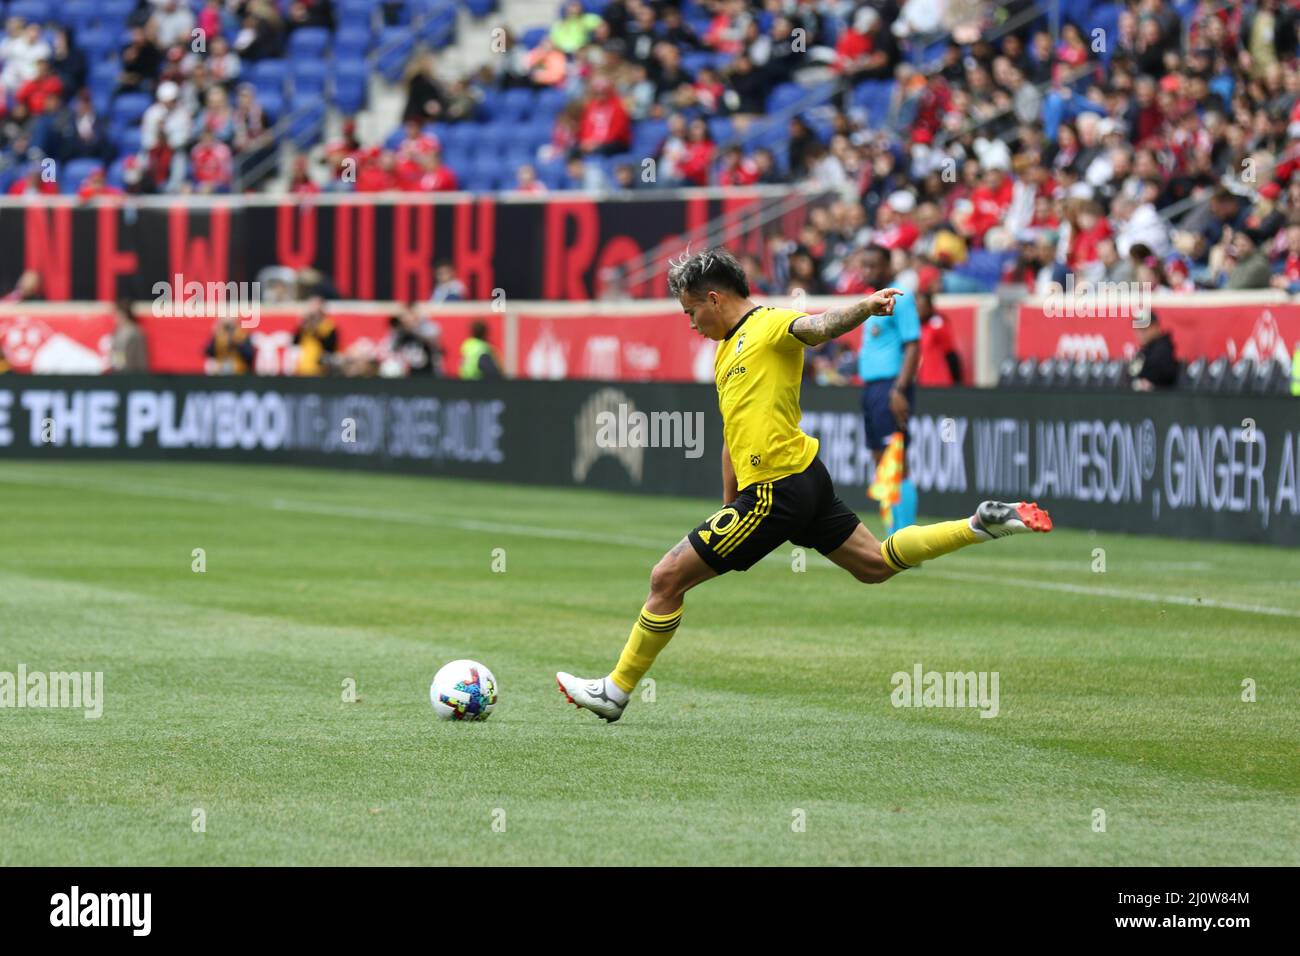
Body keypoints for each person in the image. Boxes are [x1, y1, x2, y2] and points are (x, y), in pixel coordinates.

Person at [556, 249, 1053, 723]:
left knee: (666, 579)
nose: (691, 324)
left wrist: (865, 305)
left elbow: (816, 326)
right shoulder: (726, 349)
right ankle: (979, 524)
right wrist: (729, 508)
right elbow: (732, 435)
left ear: (713, 299)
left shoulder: (768, 323)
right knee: (875, 565)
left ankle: (616, 690)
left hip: (778, 490)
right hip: (798, 481)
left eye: (691, 312)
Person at [858, 244, 920, 533]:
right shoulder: (871, 301)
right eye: (864, 265)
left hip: (890, 387)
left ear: (887, 267)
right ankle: (892, 534)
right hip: (871, 388)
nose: (868, 271)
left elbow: (913, 345)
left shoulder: (901, 299)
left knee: (896, 459)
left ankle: (904, 537)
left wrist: (899, 389)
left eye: (874, 265)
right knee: (880, 460)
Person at [1128, 310, 1178, 391]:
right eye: (1137, 329)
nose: (1139, 333)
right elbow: (1132, 373)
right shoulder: (1145, 350)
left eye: (1143, 329)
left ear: (1155, 327)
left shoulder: (1163, 350)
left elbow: (1164, 379)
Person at [293, 298, 338, 376]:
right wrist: (302, 326)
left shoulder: (328, 326)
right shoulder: (304, 326)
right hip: (303, 368)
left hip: (321, 369)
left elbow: (330, 347)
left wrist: (315, 330)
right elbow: (295, 342)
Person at [110, 299, 148, 372]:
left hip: (132, 372)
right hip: (119, 371)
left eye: (116, 314)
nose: (114, 318)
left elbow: (141, 358)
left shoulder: (135, 332)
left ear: (123, 315)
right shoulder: (117, 331)